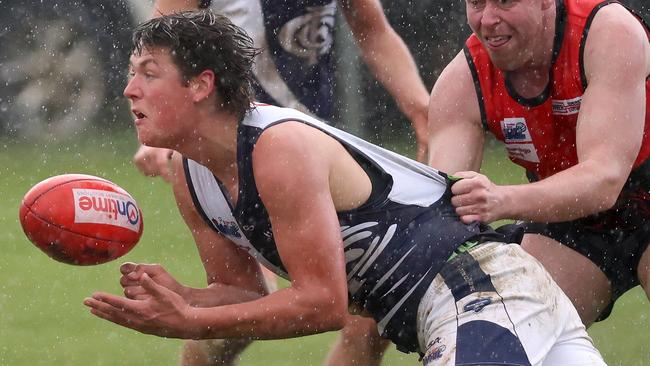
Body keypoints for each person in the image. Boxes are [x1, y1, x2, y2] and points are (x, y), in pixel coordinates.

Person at [84, 10, 607, 366]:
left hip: (482, 292)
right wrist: (181, 297)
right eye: (132, 73)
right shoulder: (191, 173)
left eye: (148, 74)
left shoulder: (277, 147)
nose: (130, 89)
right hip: (464, 306)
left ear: (200, 85)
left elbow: (323, 304)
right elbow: (243, 293)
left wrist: (191, 322)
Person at [426, 0, 650, 329]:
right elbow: (443, 211)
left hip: (633, 190)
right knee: (506, 339)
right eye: (476, 3)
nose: (488, 19)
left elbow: (604, 179)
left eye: (504, 2)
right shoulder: (460, 83)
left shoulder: (608, 31)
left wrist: (500, 200)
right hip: (570, 218)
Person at [133, 0, 431, 182]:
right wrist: (159, 130)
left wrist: (422, 111)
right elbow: (154, 50)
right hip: (222, 140)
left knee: (315, 265)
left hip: (309, 134)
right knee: (251, 273)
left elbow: (373, 31)